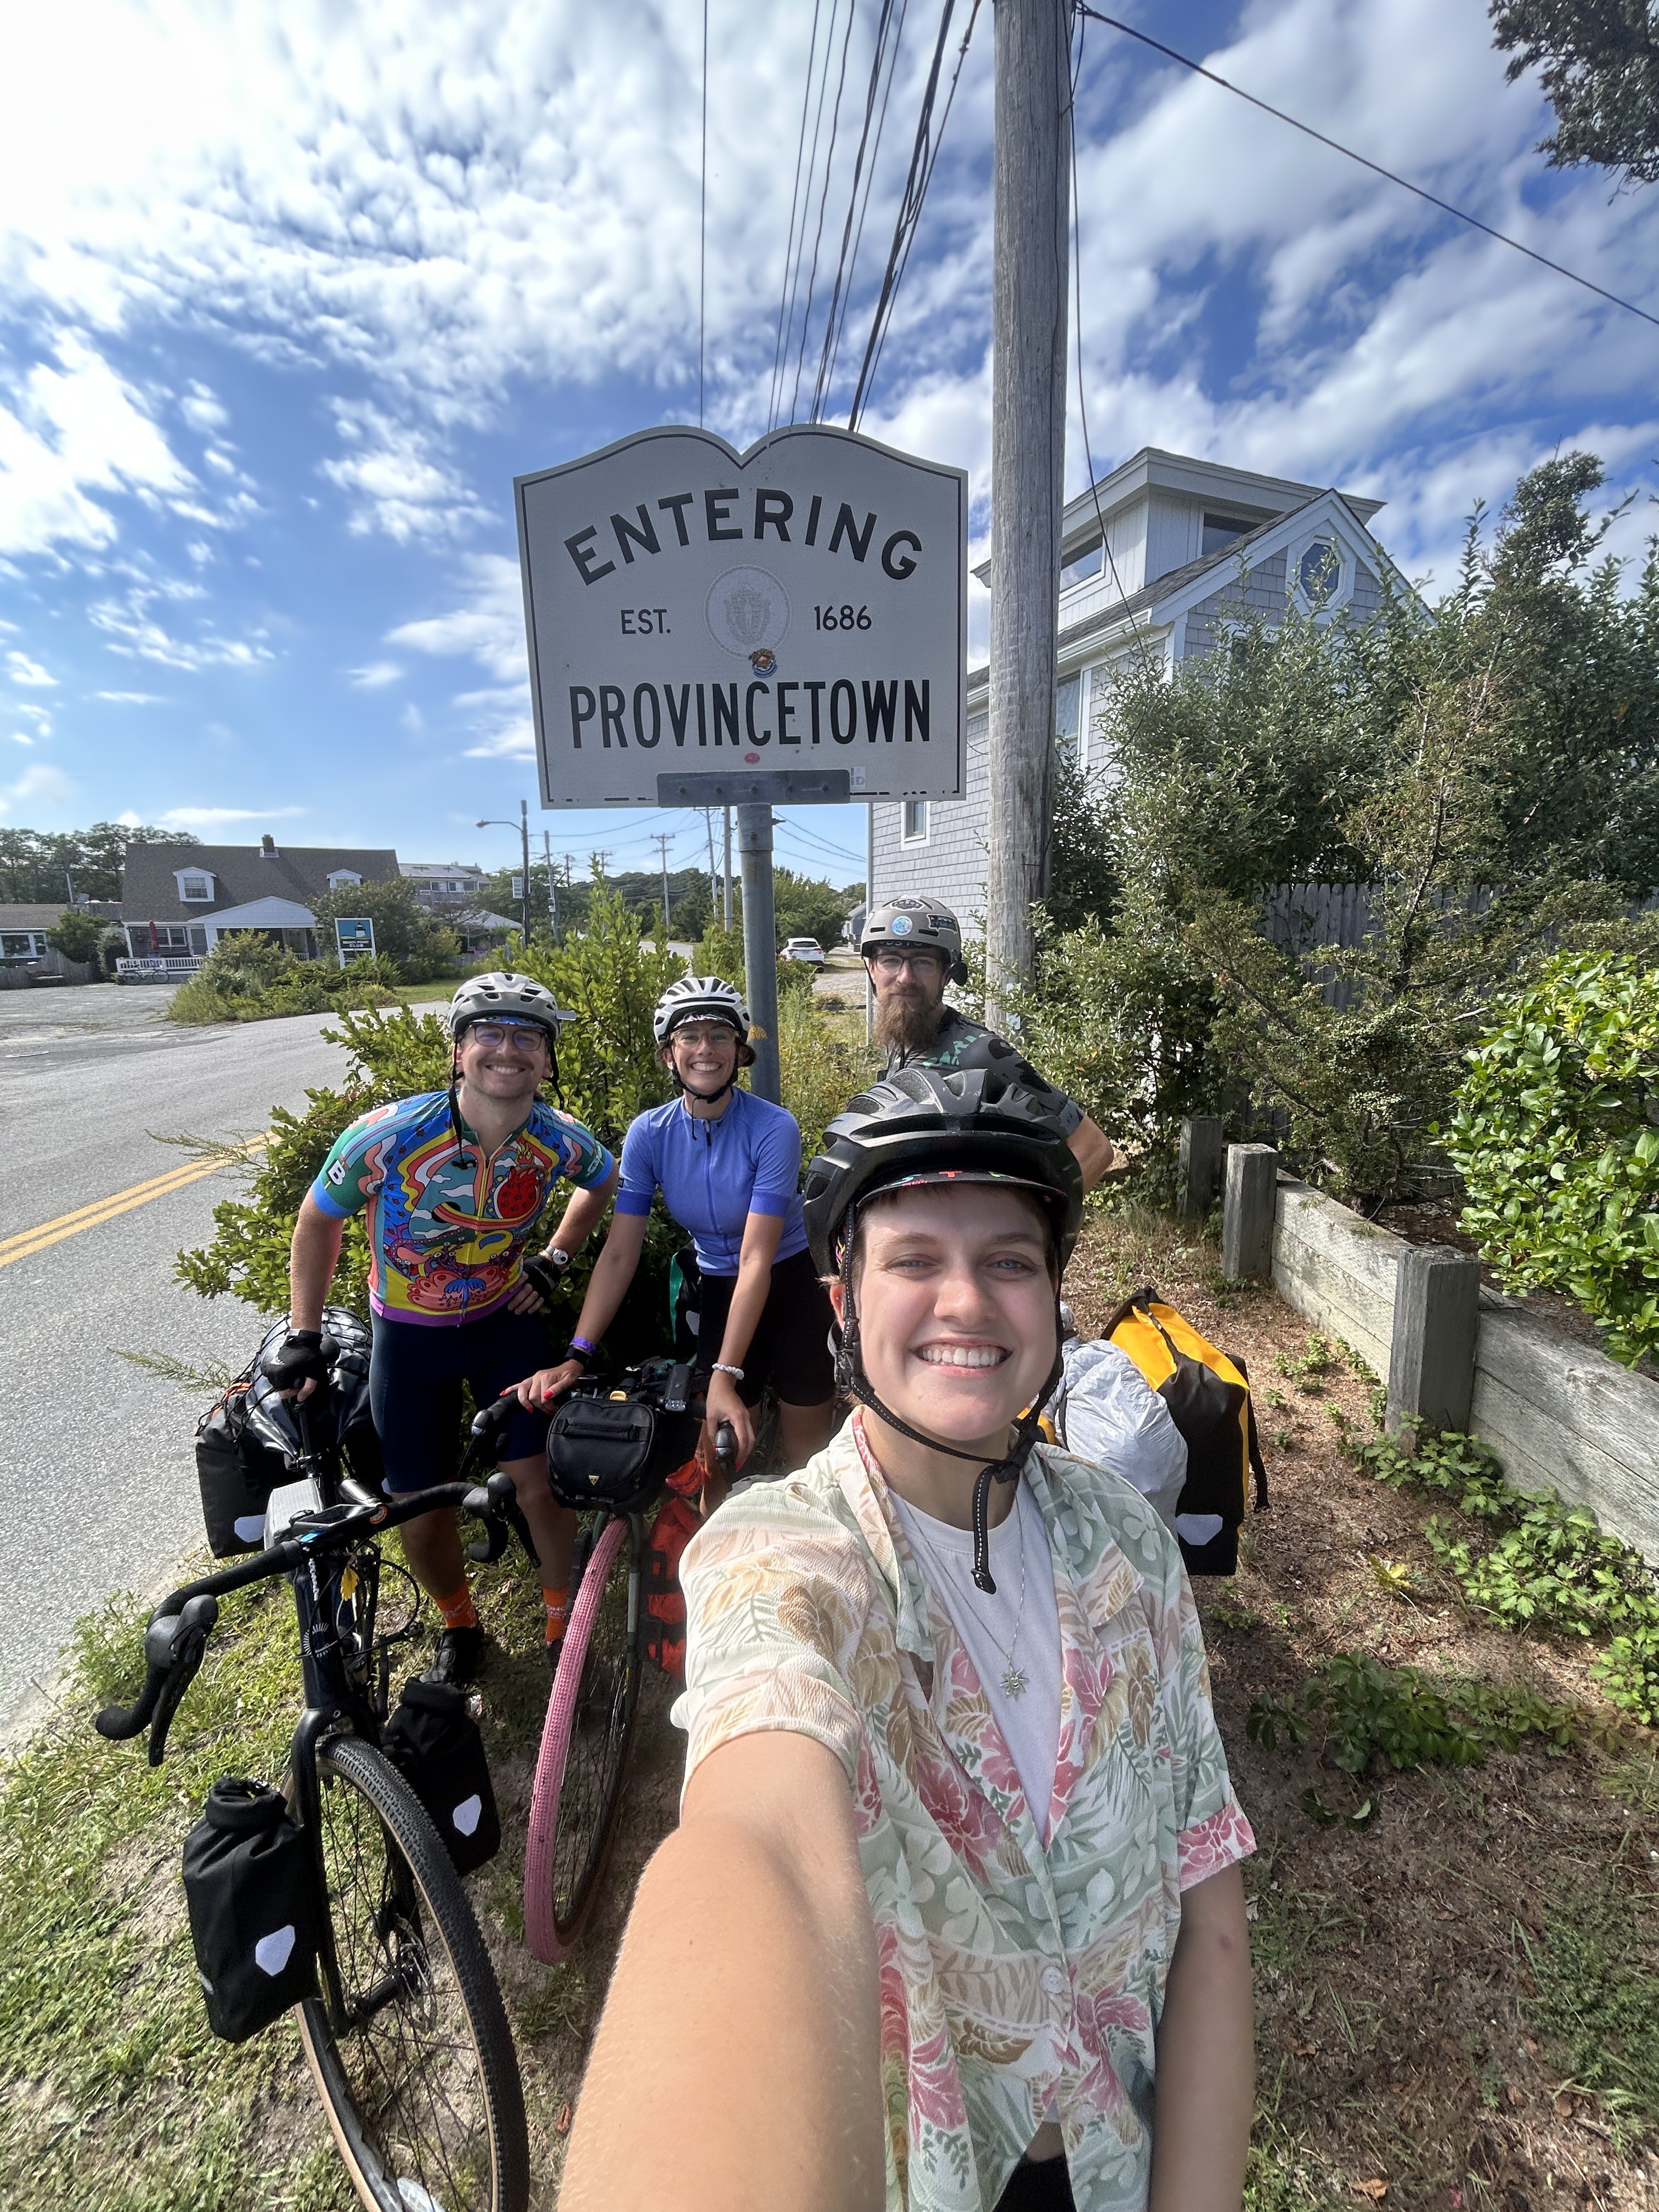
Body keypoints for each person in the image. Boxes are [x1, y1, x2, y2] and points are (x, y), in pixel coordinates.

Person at [559, 1066, 1255, 2212]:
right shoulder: (786, 1557)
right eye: (915, 1260)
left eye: (1010, 1261)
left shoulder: (1127, 1539)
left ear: (1054, 1300)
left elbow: (1208, 1916)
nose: (967, 1300)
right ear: (842, 1305)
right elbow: (763, 1846)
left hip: (1128, 2162)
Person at [269, 972, 619, 1685]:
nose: (508, 1050)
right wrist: (304, 1335)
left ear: (547, 1060)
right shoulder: (389, 1133)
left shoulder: (558, 1139)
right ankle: (460, 1623)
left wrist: (554, 1260)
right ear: (459, 1052)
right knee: (419, 1508)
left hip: (503, 1329)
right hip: (409, 1340)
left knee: (541, 1486)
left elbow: (603, 1183)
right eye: (488, 1033)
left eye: (528, 1037)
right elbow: (318, 1219)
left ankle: (562, 1623)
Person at [517, 975, 837, 1504]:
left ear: (740, 1052)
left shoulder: (773, 1127)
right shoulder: (650, 1133)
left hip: (792, 1283)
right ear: (669, 1054)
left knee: (806, 1456)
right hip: (719, 1286)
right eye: (690, 1037)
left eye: (720, 1035)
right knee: (718, 1460)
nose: (705, 1048)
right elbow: (620, 1252)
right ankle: (717, 1546)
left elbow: (757, 1257)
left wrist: (724, 1375)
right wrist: (578, 1354)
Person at [862, 896, 1120, 1192]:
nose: (905, 977)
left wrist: (1038, 1216)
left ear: (947, 973)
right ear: (871, 968)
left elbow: (1093, 1147)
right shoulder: (901, 1038)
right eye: (890, 960)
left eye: (923, 962)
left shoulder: (982, 1053)